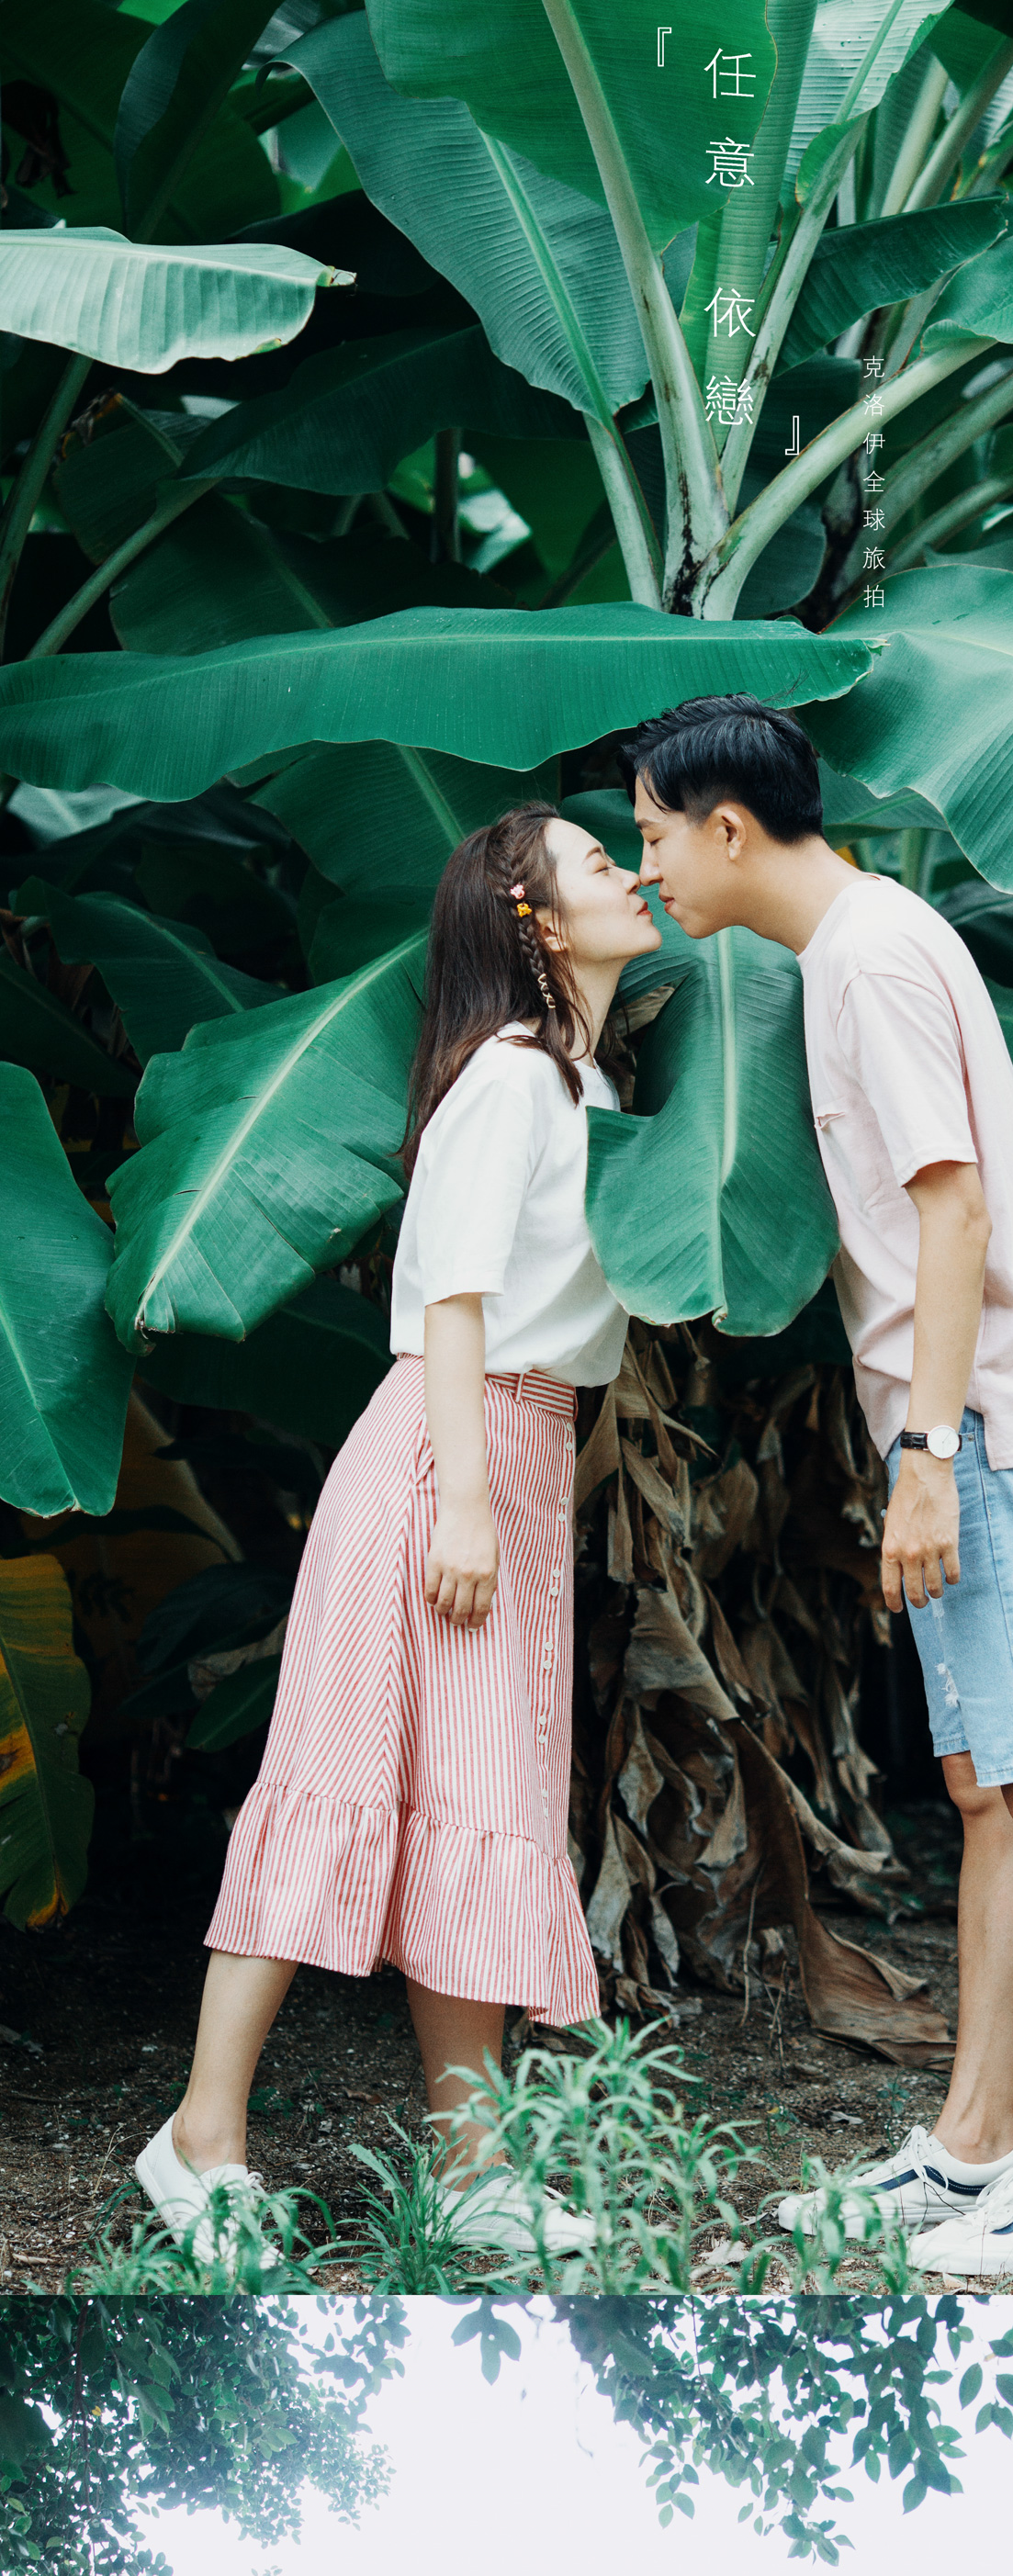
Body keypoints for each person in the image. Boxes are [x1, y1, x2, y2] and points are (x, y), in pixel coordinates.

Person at [629, 697, 1013, 2290]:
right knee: (994, 1792)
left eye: (653, 834)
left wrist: (927, 1455)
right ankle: (975, 2141)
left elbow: (954, 1210)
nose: (647, 869)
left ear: (727, 826)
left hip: (993, 1424)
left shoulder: (867, 961)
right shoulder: (856, 947)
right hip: (971, 1420)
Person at [134, 811, 661, 2270]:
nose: (631, 870)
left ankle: (473, 2169)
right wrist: (472, 1500)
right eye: (597, 862)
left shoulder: (590, 1085)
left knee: (482, 1806)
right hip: (451, 1450)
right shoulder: (511, 1078)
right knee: (338, 1779)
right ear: (531, 917)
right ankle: (200, 2139)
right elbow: (451, 1300)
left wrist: (527, 1484)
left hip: (518, 1447)